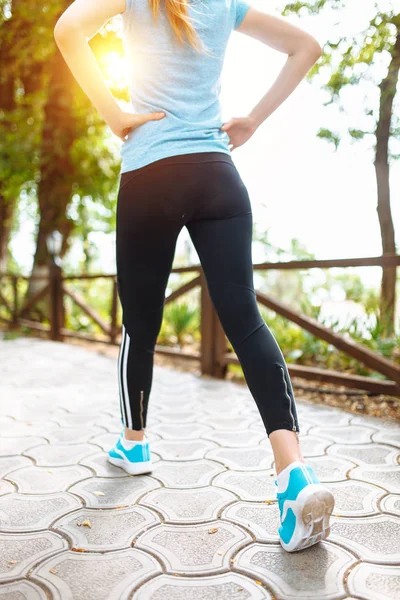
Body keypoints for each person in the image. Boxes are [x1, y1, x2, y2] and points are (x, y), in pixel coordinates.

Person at [54, 0, 334, 553]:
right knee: (246, 321)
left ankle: (134, 444)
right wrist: (252, 119)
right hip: (216, 173)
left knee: (140, 318)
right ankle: (292, 474)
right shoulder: (224, 2)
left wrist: (114, 115)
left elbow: (68, 30)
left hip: (149, 172)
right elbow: (308, 47)